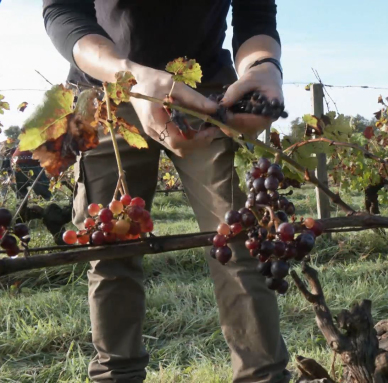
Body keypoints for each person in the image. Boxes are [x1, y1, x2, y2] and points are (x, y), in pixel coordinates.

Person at [41, 1, 289, 383]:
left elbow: (255, 16)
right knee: (110, 246)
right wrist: (128, 74)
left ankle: (263, 377)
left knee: (240, 239)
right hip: (108, 90)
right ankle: (116, 376)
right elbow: (63, 11)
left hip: (207, 95)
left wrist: (264, 68)